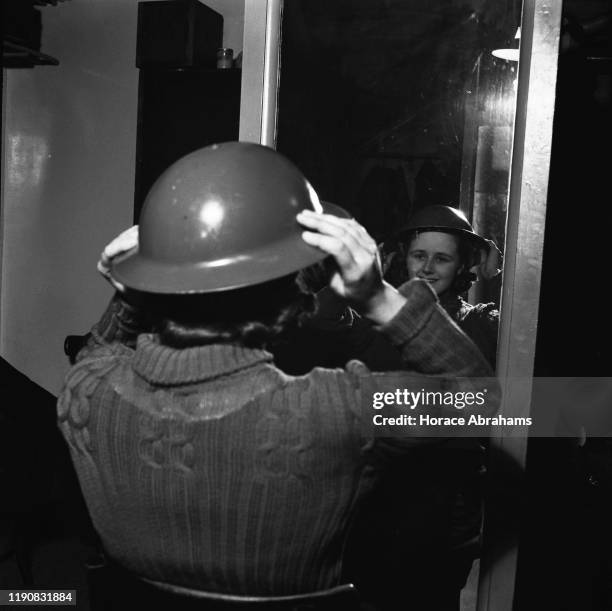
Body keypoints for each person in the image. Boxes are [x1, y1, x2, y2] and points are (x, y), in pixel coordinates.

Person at [57, 143, 495, 604]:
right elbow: (480, 399)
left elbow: (97, 349)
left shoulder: (86, 392)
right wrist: (379, 297)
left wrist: (133, 293)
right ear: (293, 301)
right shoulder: (334, 410)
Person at [383, 204, 501, 367]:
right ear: (405, 258)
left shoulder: (478, 323)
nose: (427, 268)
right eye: (419, 256)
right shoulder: (379, 320)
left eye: (441, 259)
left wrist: (497, 278)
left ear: (461, 266)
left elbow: (523, 336)